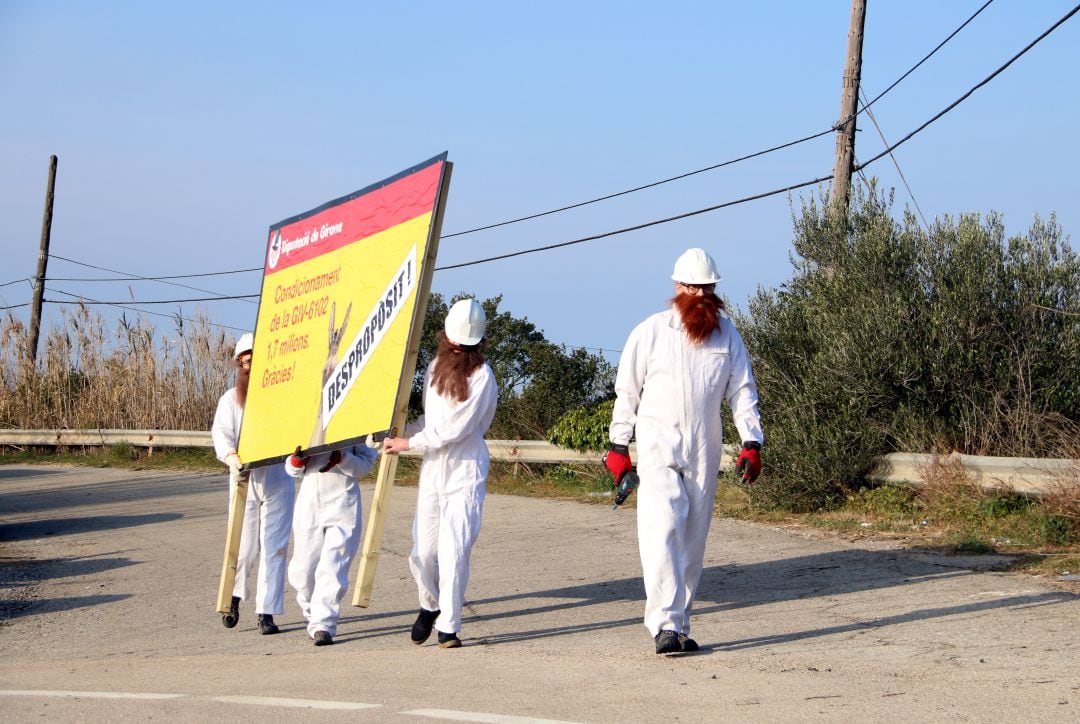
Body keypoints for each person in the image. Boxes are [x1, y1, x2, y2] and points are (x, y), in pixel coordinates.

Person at [605, 247, 764, 655]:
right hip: (658, 445)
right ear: (677, 287)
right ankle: (662, 624)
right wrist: (618, 444)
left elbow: (743, 391)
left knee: (693, 538)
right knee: (661, 531)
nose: (699, 295)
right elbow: (627, 391)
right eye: (692, 287)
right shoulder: (650, 332)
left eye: (706, 288)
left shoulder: (727, 335)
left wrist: (751, 442)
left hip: (704, 448)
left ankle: (679, 623)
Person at [382, 298, 498, 649]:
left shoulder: (482, 376)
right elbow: (430, 421)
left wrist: (410, 444)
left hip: (465, 469)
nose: (457, 349)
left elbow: (456, 428)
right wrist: (400, 431)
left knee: (454, 549)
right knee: (422, 551)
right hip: (433, 469)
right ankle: (429, 604)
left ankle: (449, 626)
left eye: (464, 345)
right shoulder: (434, 367)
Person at [211, 332, 296, 635]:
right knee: (244, 547)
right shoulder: (230, 399)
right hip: (244, 478)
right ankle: (233, 596)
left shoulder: (281, 397)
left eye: (254, 361)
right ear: (239, 365)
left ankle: (267, 611)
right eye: (245, 363)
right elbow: (221, 433)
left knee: (274, 547)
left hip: (276, 477)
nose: (249, 367)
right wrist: (230, 455)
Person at [284, 442, 378, 646]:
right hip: (309, 499)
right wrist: (296, 462)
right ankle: (311, 612)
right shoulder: (306, 421)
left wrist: (342, 458)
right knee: (304, 568)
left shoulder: (357, 420)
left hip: (343, 498)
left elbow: (366, 465)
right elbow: (291, 468)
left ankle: (323, 624)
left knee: (334, 564)